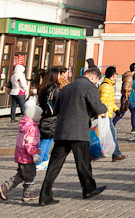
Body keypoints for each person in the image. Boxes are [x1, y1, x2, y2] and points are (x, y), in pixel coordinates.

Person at [38, 66, 108, 206]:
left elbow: (56, 109)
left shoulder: (66, 88)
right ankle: (88, 189)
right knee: (83, 163)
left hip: (62, 131)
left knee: (54, 165)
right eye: (96, 81)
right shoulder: (89, 87)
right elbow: (98, 107)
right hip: (79, 132)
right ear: (93, 77)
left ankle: (44, 195)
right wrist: (103, 109)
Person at [0, 99, 42, 203]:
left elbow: (24, 142)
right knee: (30, 175)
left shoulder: (24, 126)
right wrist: (33, 153)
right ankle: (28, 193)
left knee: (21, 174)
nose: (40, 117)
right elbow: (30, 143)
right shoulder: (32, 128)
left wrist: (35, 149)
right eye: (39, 115)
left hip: (20, 155)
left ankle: (4, 187)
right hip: (27, 157)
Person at [36, 66, 67, 171]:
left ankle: (44, 159)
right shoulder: (55, 89)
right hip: (52, 117)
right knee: (45, 140)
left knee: (49, 139)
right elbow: (59, 103)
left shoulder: (43, 88)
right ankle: (39, 161)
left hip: (45, 116)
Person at [97, 67, 126, 162]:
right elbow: (103, 101)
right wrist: (103, 113)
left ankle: (115, 153)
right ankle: (116, 154)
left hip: (107, 114)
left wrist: (116, 110)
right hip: (105, 115)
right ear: (113, 75)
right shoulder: (106, 86)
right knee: (112, 134)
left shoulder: (108, 85)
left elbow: (110, 102)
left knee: (109, 134)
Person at [113, 63, 135, 129]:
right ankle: (112, 125)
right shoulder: (130, 77)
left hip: (130, 96)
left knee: (134, 112)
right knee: (121, 112)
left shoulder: (131, 75)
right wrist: (133, 89)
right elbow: (126, 88)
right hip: (127, 97)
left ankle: (134, 128)